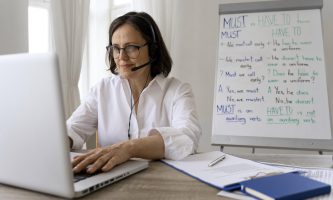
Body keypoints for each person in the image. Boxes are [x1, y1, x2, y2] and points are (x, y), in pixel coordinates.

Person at [68, 11, 201, 174]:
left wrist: (128, 148)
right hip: (109, 181)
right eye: (116, 48)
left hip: (161, 183)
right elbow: (73, 129)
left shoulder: (177, 91)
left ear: (152, 50)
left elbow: (187, 137)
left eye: (131, 48)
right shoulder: (102, 89)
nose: (121, 57)